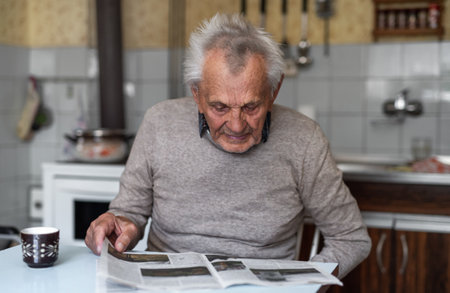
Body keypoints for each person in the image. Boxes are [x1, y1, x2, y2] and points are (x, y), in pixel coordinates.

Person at [85, 13, 371, 279]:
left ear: (274, 91)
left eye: (251, 106)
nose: (236, 125)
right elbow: (129, 213)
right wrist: (119, 224)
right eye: (219, 107)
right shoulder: (159, 123)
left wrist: (303, 285)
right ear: (196, 94)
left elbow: (350, 239)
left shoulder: (305, 139)